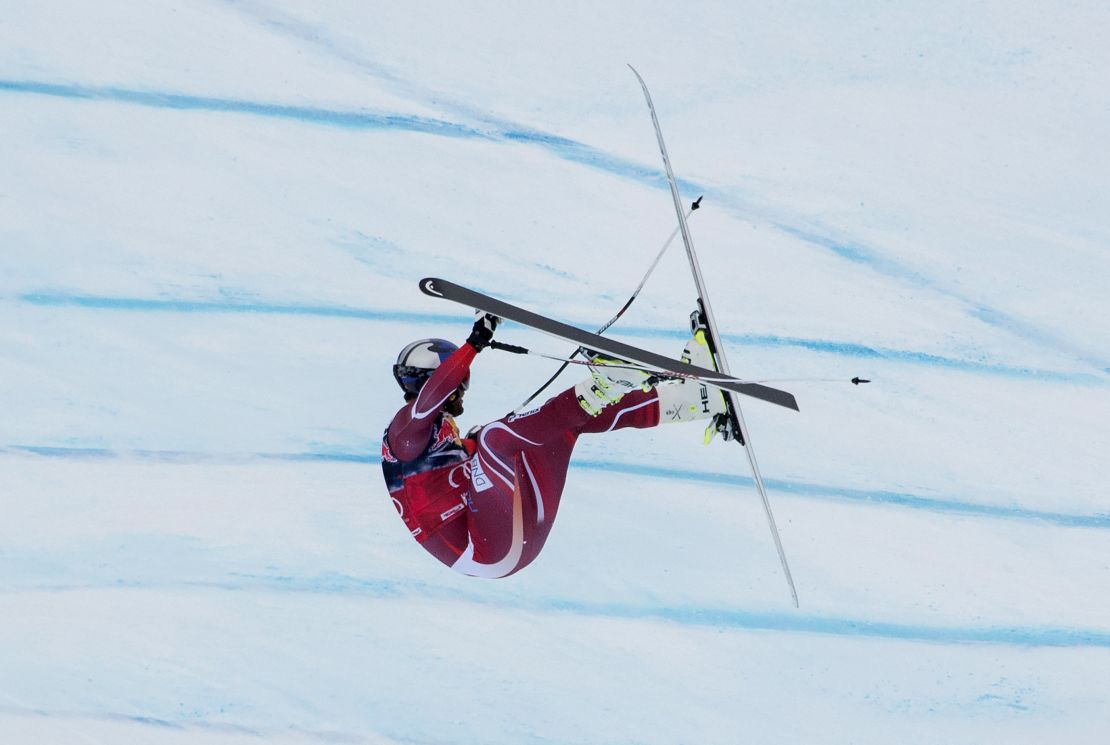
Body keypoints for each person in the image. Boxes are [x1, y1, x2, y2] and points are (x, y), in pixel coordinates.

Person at [381, 312, 726, 578]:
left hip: (512, 534)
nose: (463, 389)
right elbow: (433, 397)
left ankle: (695, 401)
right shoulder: (404, 431)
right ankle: (605, 387)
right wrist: (476, 341)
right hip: (488, 549)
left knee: (557, 426)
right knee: (492, 438)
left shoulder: (434, 439)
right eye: (461, 382)